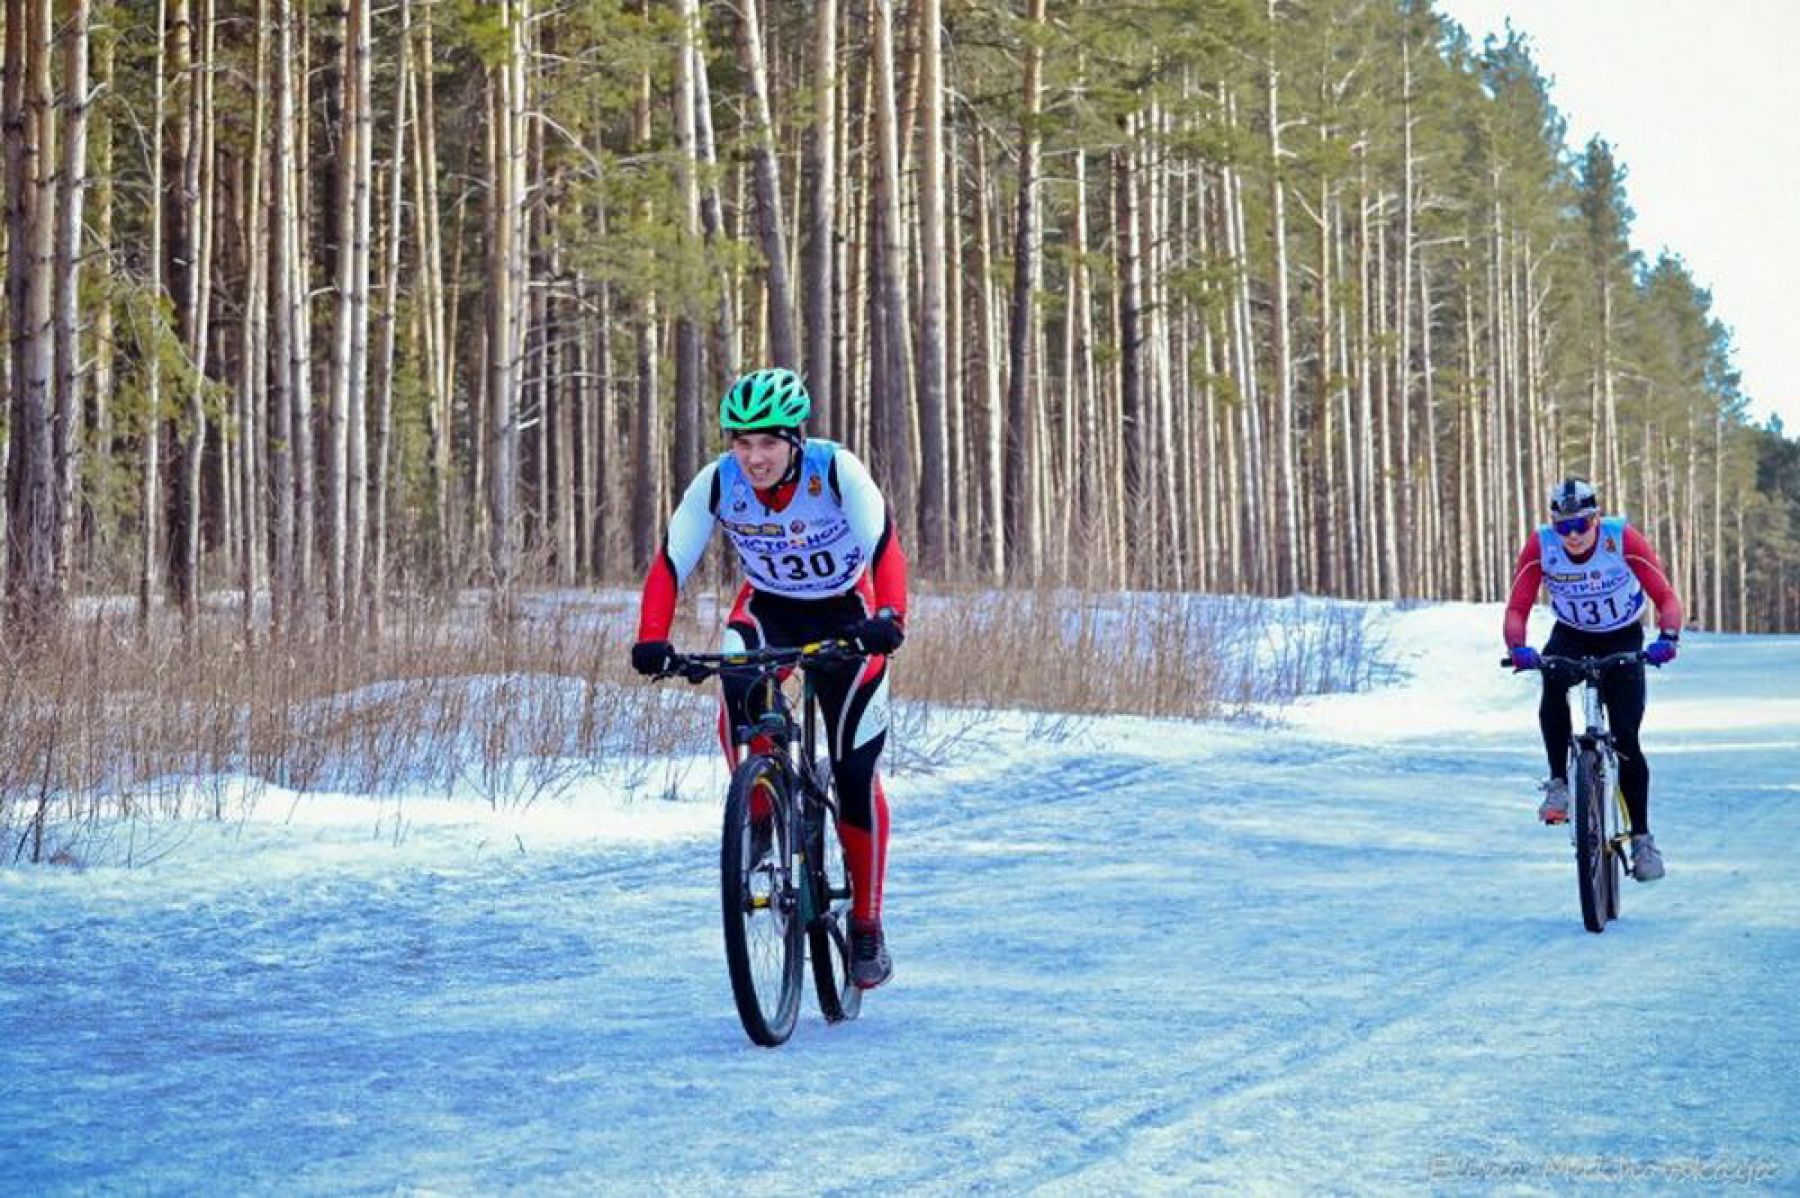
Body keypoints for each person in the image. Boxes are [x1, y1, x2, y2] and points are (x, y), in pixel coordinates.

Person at [630, 367, 906, 989]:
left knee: (856, 771)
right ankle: (761, 806)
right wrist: (652, 636)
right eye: (741, 442)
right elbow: (672, 560)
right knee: (734, 674)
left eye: (768, 443)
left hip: (848, 615)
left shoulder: (835, 471)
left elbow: (885, 544)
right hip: (769, 610)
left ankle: (866, 924)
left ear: (795, 441)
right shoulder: (718, 483)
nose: (753, 457)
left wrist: (892, 615)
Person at [1502, 477, 1683, 881]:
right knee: (1551, 678)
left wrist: (1668, 638)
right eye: (1564, 527)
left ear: (1596, 518)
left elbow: (1666, 597)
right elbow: (1518, 605)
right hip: (1571, 633)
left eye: (1582, 525)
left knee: (1626, 740)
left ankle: (1641, 839)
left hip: (1623, 636)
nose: (1574, 536)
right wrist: (1518, 646)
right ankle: (1558, 783)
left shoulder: (1623, 538)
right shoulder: (1541, 545)